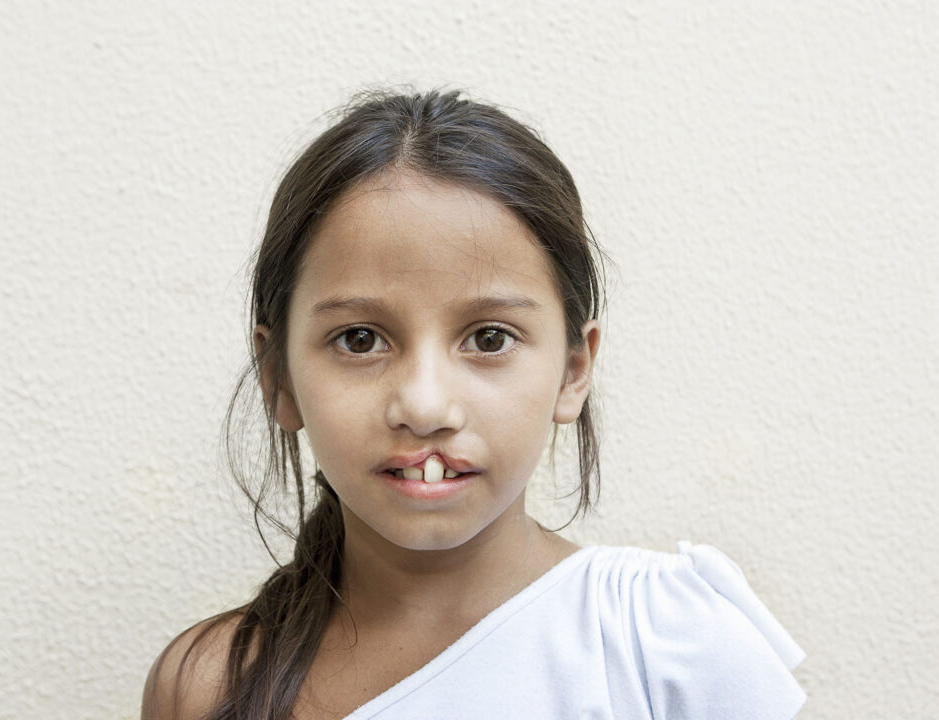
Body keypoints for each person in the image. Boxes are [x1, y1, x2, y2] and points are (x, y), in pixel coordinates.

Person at [141, 89, 806, 720]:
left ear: (575, 369)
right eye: (360, 339)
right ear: (278, 376)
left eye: (489, 338)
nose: (426, 406)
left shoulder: (670, 645)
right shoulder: (208, 685)